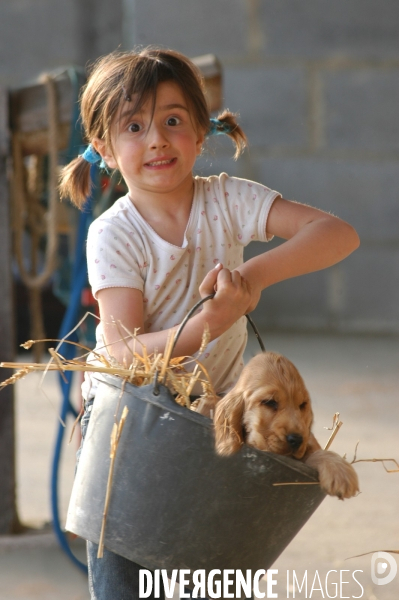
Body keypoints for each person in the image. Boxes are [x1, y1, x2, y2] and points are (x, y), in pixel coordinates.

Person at [59, 47, 359, 600]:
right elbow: (122, 353)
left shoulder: (226, 199)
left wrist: (252, 280)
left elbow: (338, 234)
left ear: (201, 132)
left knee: (216, 570)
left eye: (173, 121)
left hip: (208, 421)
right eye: (134, 126)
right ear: (103, 147)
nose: (156, 139)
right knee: (128, 574)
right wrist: (212, 322)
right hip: (131, 430)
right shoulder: (113, 234)